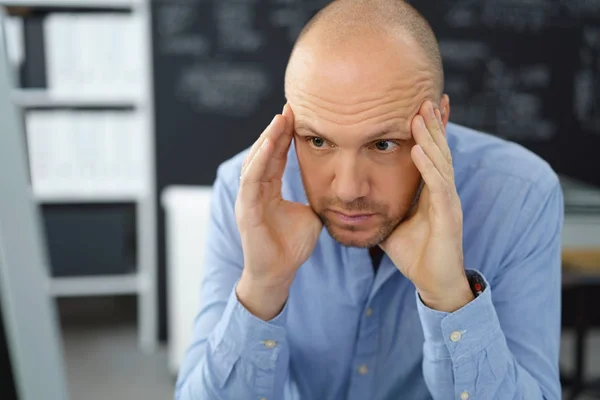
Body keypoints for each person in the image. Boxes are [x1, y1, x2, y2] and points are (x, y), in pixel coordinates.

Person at [175, 0, 563, 399]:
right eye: (318, 141)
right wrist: (262, 288)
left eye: (383, 144)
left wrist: (451, 299)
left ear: (439, 122)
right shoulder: (245, 191)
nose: (347, 189)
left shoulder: (521, 196)